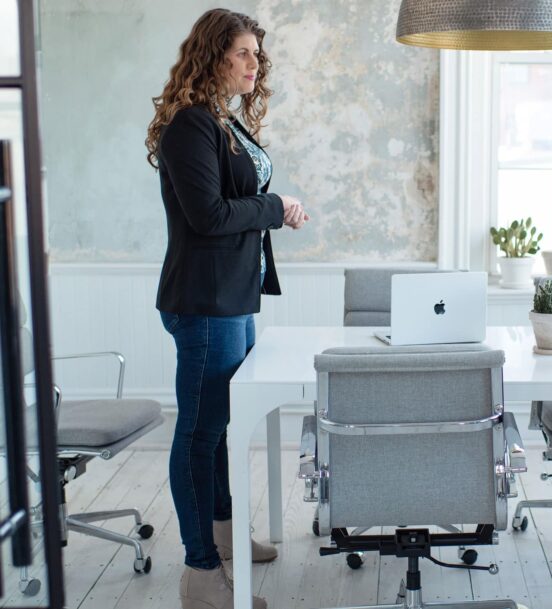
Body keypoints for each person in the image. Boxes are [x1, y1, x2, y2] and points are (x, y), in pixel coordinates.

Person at [145, 9, 309, 609]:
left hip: (232, 297)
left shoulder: (222, 122)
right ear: (212, 55)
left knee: (216, 432)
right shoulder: (190, 125)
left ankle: (223, 534)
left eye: (256, 55)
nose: (253, 63)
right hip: (205, 302)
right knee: (198, 432)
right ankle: (202, 574)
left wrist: (272, 207)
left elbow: (233, 201)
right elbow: (208, 217)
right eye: (242, 52)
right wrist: (275, 206)